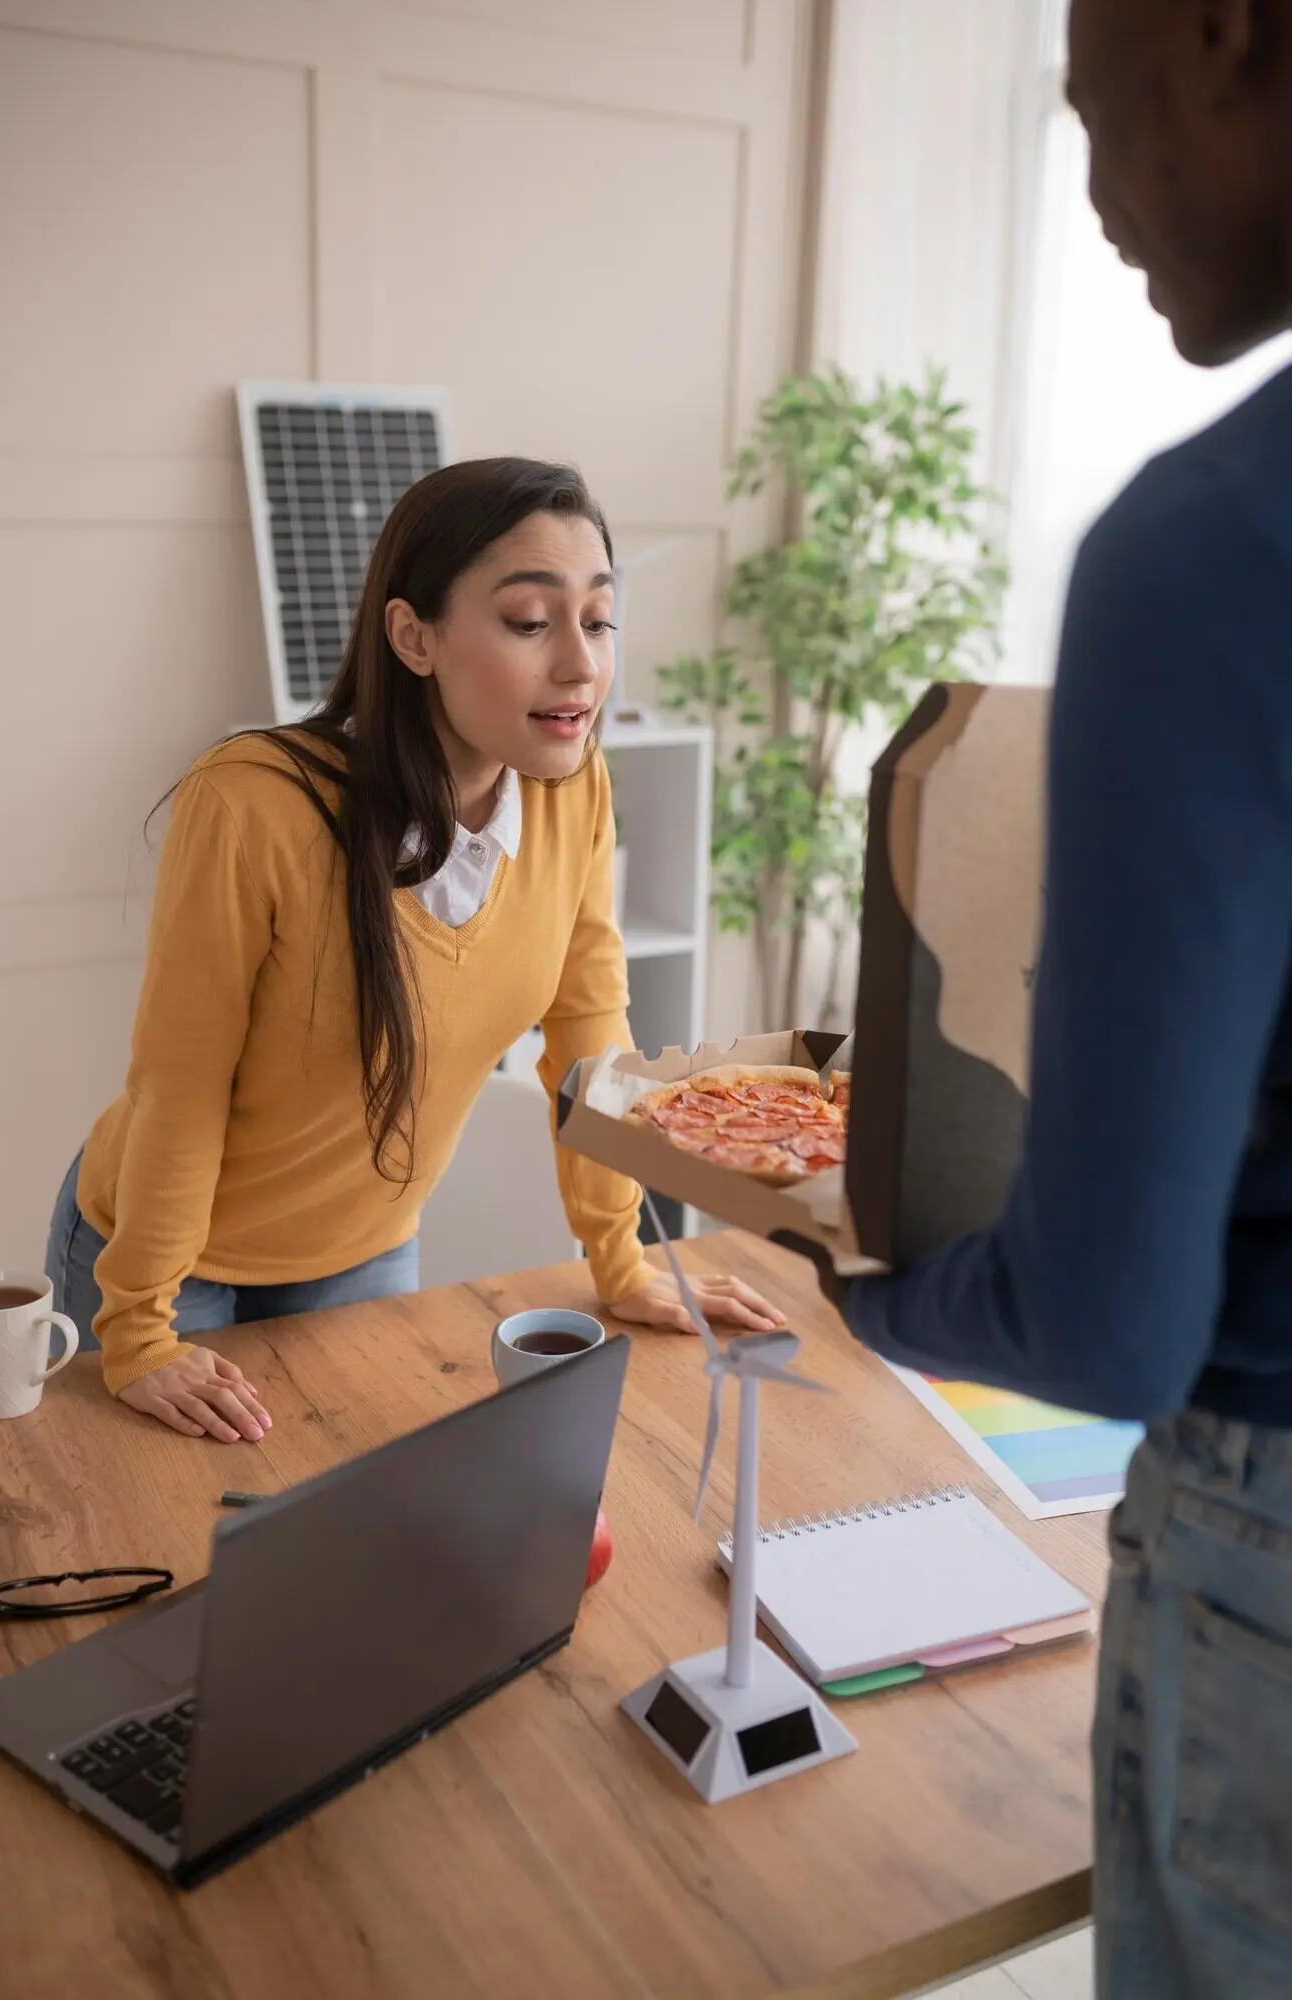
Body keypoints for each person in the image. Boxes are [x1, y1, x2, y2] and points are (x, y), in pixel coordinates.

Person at [825, 0, 1292, 1991]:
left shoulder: (1208, 552)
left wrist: (850, 1293)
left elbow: (1103, 1318)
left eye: (1093, 118)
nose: (1096, 199)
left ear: (1226, 33)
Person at [47, 457, 784, 1444]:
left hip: (362, 1252)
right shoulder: (253, 802)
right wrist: (139, 1327)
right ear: (412, 636)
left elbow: (590, 1034)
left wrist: (621, 1258)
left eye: (598, 620)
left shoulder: (574, 791)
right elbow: (181, 1081)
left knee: (343, 1545)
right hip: (162, 1264)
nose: (580, 664)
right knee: (160, 1554)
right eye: (530, 621)